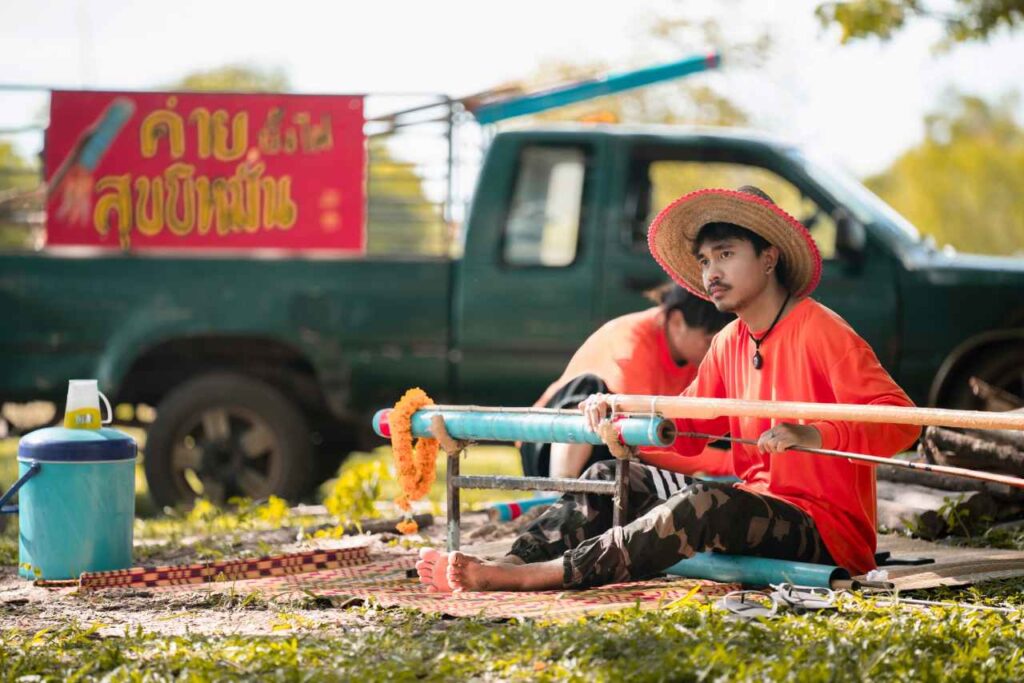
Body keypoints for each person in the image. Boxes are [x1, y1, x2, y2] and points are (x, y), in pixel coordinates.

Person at [417, 185, 921, 593]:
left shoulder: (822, 329)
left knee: (706, 504)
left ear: (769, 259)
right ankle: (510, 559)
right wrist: (623, 417)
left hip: (826, 532)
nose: (711, 273)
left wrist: (813, 434)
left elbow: (900, 420)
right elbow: (690, 431)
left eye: (725, 254)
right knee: (610, 473)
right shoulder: (728, 341)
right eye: (704, 260)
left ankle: (544, 576)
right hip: (753, 503)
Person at [520, 284, 734, 480]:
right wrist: (730, 463)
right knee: (590, 391)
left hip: (628, 450)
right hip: (550, 445)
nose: (712, 348)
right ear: (677, 321)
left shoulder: (699, 357)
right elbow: (644, 437)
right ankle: (561, 491)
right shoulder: (630, 345)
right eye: (708, 341)